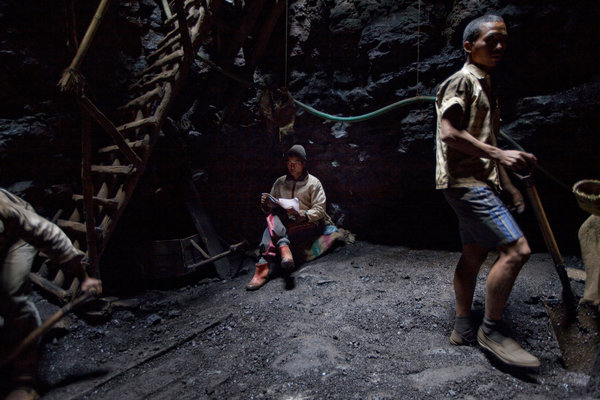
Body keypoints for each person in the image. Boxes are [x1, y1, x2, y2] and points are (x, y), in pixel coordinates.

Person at [435, 15, 540, 367]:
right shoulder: (462, 81)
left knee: (473, 254)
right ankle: (491, 331)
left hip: (479, 182)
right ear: (469, 46)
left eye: (503, 40)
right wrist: (500, 154)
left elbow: (487, 140)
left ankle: (463, 326)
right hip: (466, 183)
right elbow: (449, 133)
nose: (499, 46)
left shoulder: (486, 86)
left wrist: (509, 185)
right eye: (491, 39)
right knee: (517, 250)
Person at [0, 188, 102, 400]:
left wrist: (83, 277)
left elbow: (50, 236)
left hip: (16, 240)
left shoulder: (9, 213)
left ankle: (24, 380)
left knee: (12, 293)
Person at [246, 145, 332, 291]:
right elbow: (271, 207)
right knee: (273, 215)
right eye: (288, 163)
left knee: (270, 229)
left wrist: (304, 215)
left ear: (303, 164)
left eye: (296, 163)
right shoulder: (280, 182)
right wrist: (266, 204)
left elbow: (320, 210)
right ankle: (284, 247)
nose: (291, 166)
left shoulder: (314, 183)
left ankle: (262, 268)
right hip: (284, 222)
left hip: (305, 222)